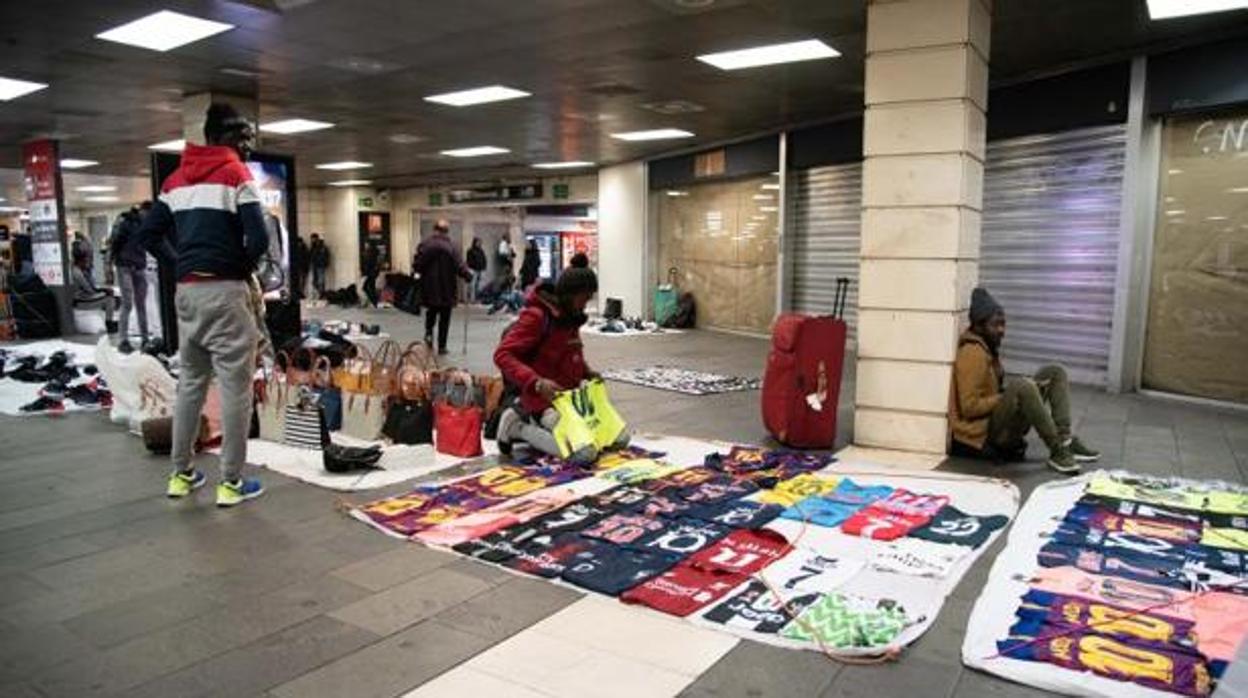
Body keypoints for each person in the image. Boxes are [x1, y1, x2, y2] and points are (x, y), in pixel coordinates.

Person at [137, 102, 269, 507]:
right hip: (226, 291)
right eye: (243, 137)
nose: (248, 146)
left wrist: (181, 262)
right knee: (235, 387)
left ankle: (181, 474)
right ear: (223, 137)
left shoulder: (175, 181)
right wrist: (238, 266)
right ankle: (230, 482)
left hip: (187, 294)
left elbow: (149, 234)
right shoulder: (235, 174)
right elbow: (259, 239)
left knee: (190, 385)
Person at [950, 287, 1100, 475]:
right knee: (1022, 385)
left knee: (1054, 372)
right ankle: (1057, 451)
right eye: (995, 325)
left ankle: (1065, 440)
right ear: (979, 326)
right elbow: (969, 407)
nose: (1001, 330)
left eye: (1003, 324)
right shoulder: (972, 353)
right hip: (982, 434)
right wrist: (1004, 397)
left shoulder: (987, 348)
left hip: (993, 422)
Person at [494, 266, 626, 464]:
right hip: (543, 401)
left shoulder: (570, 317)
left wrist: (587, 372)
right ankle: (516, 427)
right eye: (584, 297)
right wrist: (536, 382)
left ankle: (560, 430)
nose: (586, 303)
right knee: (584, 454)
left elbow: (571, 353)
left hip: (570, 400)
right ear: (570, 294)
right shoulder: (538, 317)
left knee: (619, 439)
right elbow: (503, 354)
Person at [412, 219, 472, 354]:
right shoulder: (452, 246)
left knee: (431, 312)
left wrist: (418, 273)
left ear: (434, 229)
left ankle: (428, 334)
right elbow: (459, 265)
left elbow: (417, 264)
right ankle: (442, 346)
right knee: (445, 318)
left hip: (429, 287)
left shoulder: (425, 245)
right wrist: (468, 275)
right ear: (447, 231)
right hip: (447, 288)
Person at [107, 201, 152, 353]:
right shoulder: (126, 222)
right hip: (125, 266)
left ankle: (145, 338)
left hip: (139, 265)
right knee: (128, 304)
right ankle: (123, 340)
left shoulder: (144, 224)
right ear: (143, 211)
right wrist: (109, 265)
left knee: (141, 304)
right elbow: (114, 243)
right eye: (148, 214)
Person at [70, 253, 115, 328]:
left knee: (108, 293)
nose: (87, 263)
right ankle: (109, 323)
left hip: (82, 297)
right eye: (86, 261)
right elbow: (89, 289)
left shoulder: (78, 270)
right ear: (80, 261)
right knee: (109, 299)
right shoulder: (78, 273)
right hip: (82, 300)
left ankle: (107, 319)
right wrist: (103, 291)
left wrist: (102, 290)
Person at [466, 237, 487, 302]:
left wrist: (484, 266)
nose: (479, 244)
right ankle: (471, 299)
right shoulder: (470, 250)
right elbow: (469, 260)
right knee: (472, 284)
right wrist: (472, 266)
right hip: (473, 269)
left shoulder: (481, 251)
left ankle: (477, 298)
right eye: (478, 242)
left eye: (480, 242)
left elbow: (484, 259)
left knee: (478, 285)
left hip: (480, 269)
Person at [309, 233, 330, 298]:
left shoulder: (321, 247)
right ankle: (320, 293)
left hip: (320, 265)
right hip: (316, 265)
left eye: (313, 239)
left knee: (320, 280)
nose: (312, 240)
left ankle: (321, 294)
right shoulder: (314, 246)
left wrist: (324, 263)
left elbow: (324, 256)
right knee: (315, 281)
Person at [361, 239, 380, 307]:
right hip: (373, 272)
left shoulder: (370, 252)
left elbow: (369, 263)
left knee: (365, 287)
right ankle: (374, 302)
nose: (366, 245)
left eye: (367, 243)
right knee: (371, 287)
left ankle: (374, 301)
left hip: (371, 273)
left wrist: (365, 272)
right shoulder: (374, 252)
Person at [291, 233, 309, 299]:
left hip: (303, 268)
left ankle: (301, 293)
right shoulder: (298, 249)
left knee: (302, 281)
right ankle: (299, 293)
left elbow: (307, 259)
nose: (299, 244)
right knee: (299, 281)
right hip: (299, 268)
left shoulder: (304, 249)